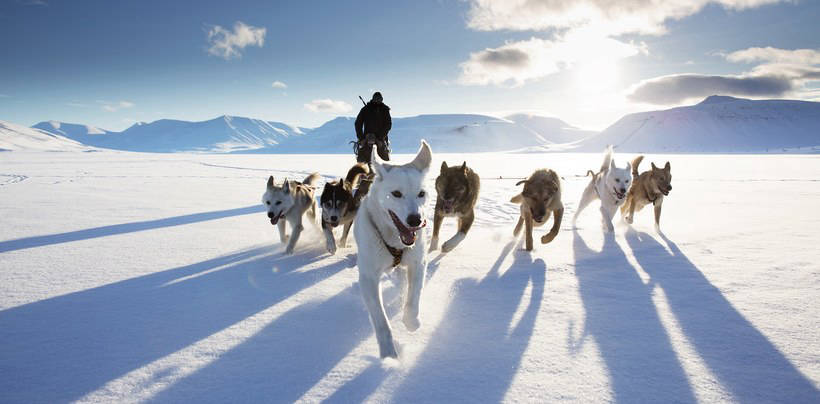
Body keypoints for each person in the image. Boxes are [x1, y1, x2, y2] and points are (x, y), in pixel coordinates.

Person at [354, 92, 392, 163]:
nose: (377, 100)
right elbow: (358, 124)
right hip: (367, 139)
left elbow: (388, 125)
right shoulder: (365, 109)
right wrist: (361, 138)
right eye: (376, 99)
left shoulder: (385, 110)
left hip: (380, 139)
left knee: (384, 163)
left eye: (379, 99)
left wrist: (380, 137)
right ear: (373, 99)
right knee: (362, 163)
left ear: (382, 99)